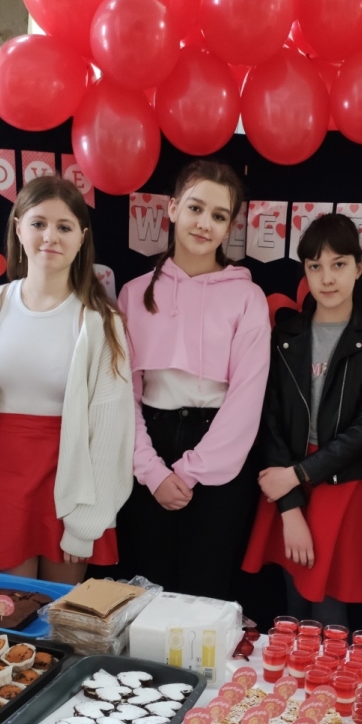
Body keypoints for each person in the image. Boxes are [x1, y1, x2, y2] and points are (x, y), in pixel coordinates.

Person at [0, 174, 134, 584]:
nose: (50, 236)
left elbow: (111, 429)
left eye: (64, 226)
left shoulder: (101, 321)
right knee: (7, 609)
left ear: (82, 238)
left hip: (70, 478)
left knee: (58, 613)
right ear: (18, 228)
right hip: (0, 473)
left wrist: (87, 523)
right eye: (38, 223)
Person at [117, 159, 270, 600]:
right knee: (146, 594)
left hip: (218, 455)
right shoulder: (134, 293)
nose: (204, 223)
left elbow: (245, 400)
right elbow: (122, 394)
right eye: (196, 208)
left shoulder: (248, 297)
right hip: (147, 450)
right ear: (172, 208)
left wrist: (189, 471)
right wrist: (151, 471)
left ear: (230, 227)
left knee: (206, 596)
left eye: (219, 216)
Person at [242, 213, 362, 625]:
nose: (327, 278)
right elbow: (269, 418)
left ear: (358, 268)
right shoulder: (285, 336)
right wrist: (289, 503)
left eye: (338, 264)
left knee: (328, 612)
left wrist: (299, 474)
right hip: (287, 479)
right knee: (294, 604)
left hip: (344, 483)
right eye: (315, 266)